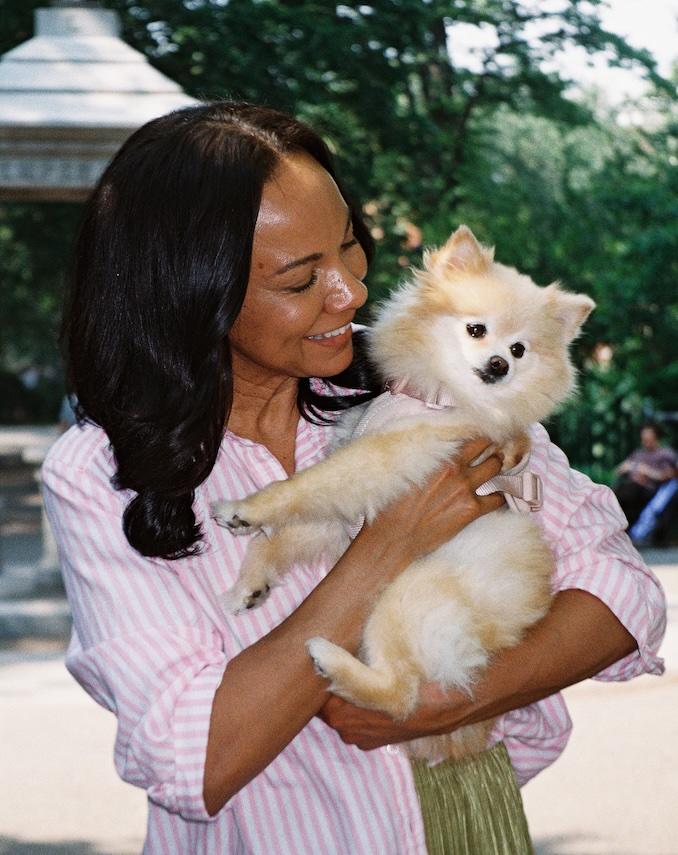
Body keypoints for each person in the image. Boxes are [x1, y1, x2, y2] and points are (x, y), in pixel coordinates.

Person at [42, 102, 666, 855]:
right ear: (192, 292)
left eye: (348, 247)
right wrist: (389, 544)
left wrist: (442, 700)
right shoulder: (100, 474)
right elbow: (194, 755)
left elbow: (624, 591)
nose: (350, 293)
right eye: (301, 279)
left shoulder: (428, 375)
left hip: (465, 817)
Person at [613, 423, 678, 530]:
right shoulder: (637, 454)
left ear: (656, 437)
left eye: (648, 438)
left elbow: (670, 474)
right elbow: (618, 470)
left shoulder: (665, 454)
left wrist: (647, 471)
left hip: (650, 490)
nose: (645, 441)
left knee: (629, 492)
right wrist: (629, 468)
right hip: (630, 487)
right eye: (643, 438)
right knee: (616, 493)